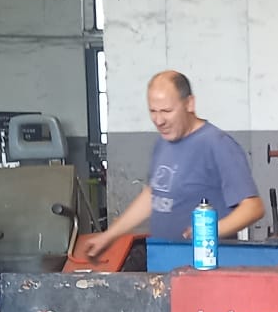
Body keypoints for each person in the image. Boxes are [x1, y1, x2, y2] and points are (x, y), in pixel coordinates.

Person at [78, 71, 265, 259]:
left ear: (189, 104)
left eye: (167, 111)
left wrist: (208, 232)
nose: (159, 121)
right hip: (163, 260)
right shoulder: (163, 143)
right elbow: (153, 195)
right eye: (153, 111)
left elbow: (253, 207)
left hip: (205, 265)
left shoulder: (217, 144)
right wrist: (109, 236)